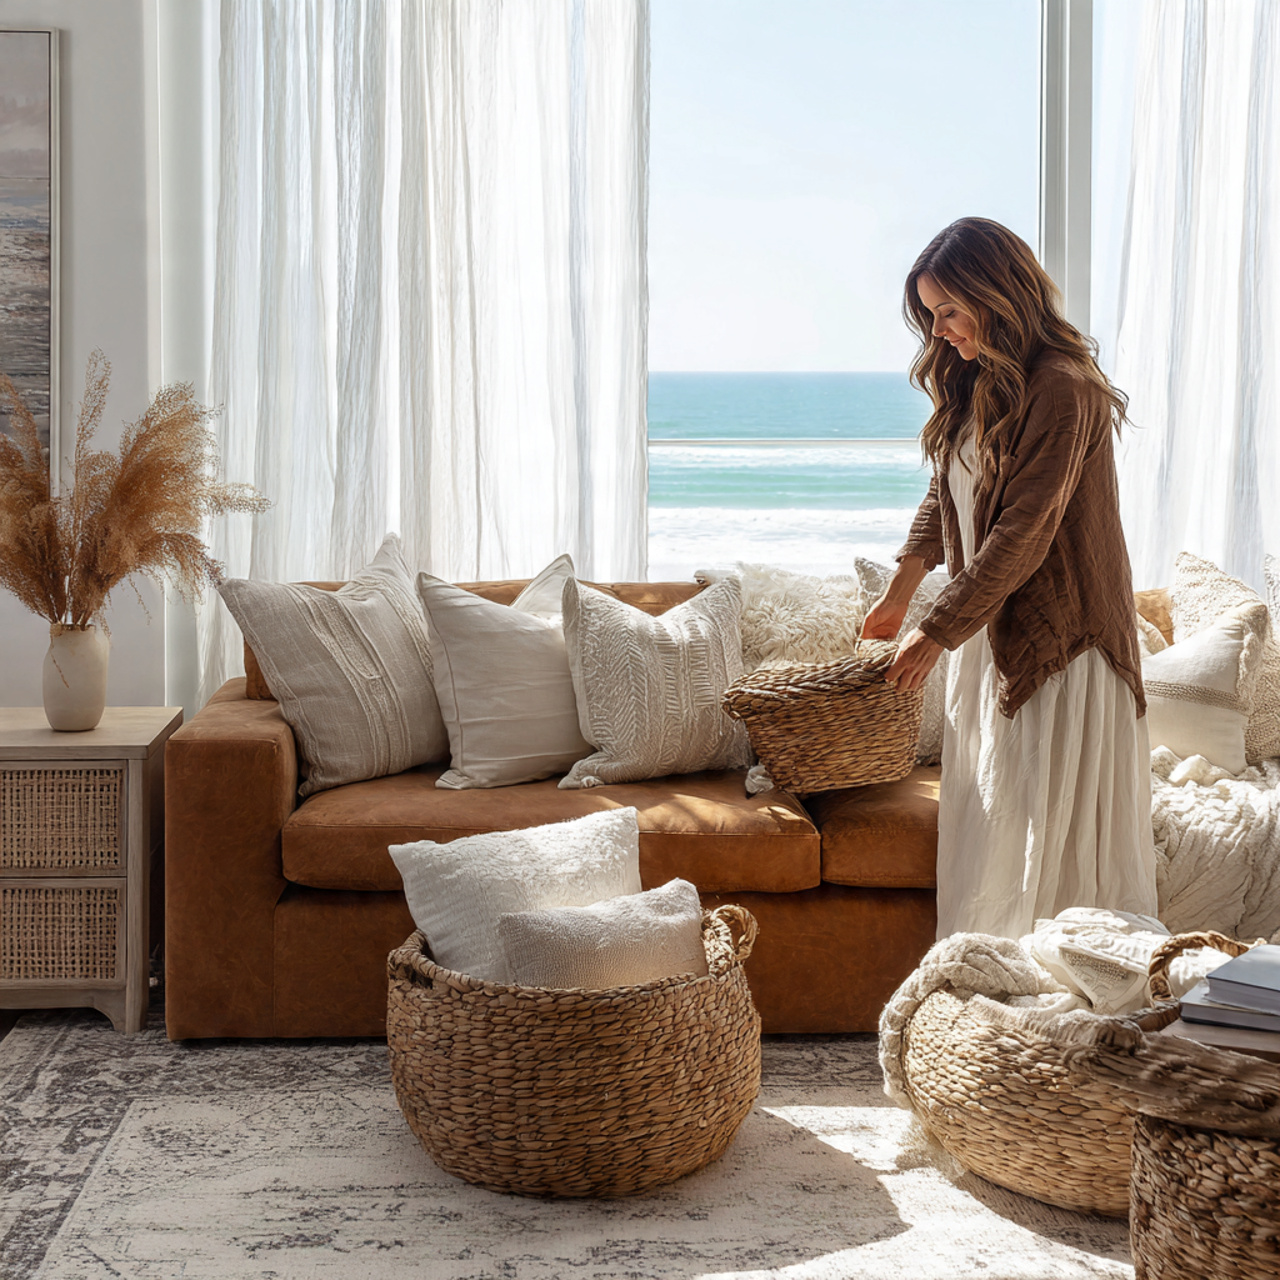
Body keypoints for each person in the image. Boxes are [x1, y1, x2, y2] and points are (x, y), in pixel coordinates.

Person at [861, 217, 1157, 940]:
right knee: (990, 845)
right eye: (931, 317)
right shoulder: (980, 379)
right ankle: (984, 1008)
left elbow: (1023, 530)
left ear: (999, 293)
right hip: (990, 634)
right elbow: (947, 492)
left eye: (950, 311)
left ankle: (1060, 1015)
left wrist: (935, 632)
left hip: (1063, 650)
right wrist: (899, 597)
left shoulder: (1065, 389)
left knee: (1045, 857)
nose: (940, 333)